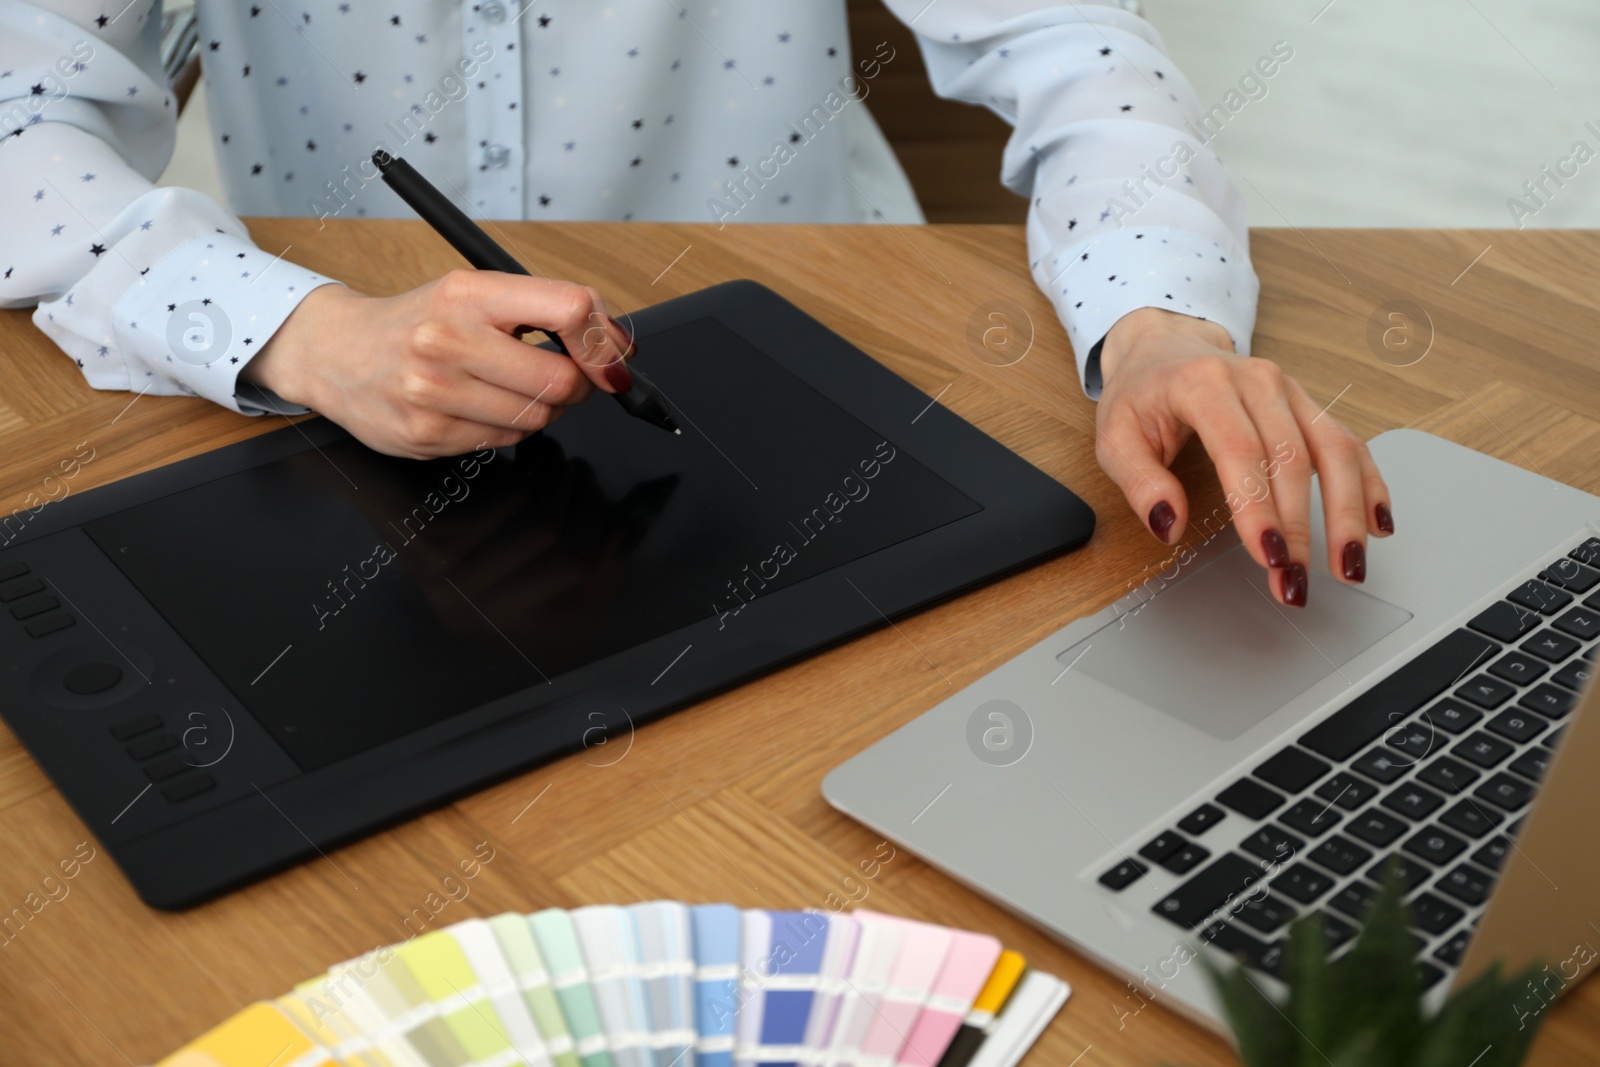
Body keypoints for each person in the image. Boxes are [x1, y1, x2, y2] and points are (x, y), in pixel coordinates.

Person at [0, 0, 1390, 609]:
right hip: (353, 434)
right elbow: (21, 116)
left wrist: (1154, 317)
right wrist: (302, 331)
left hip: (835, 369)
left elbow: (1074, 42)